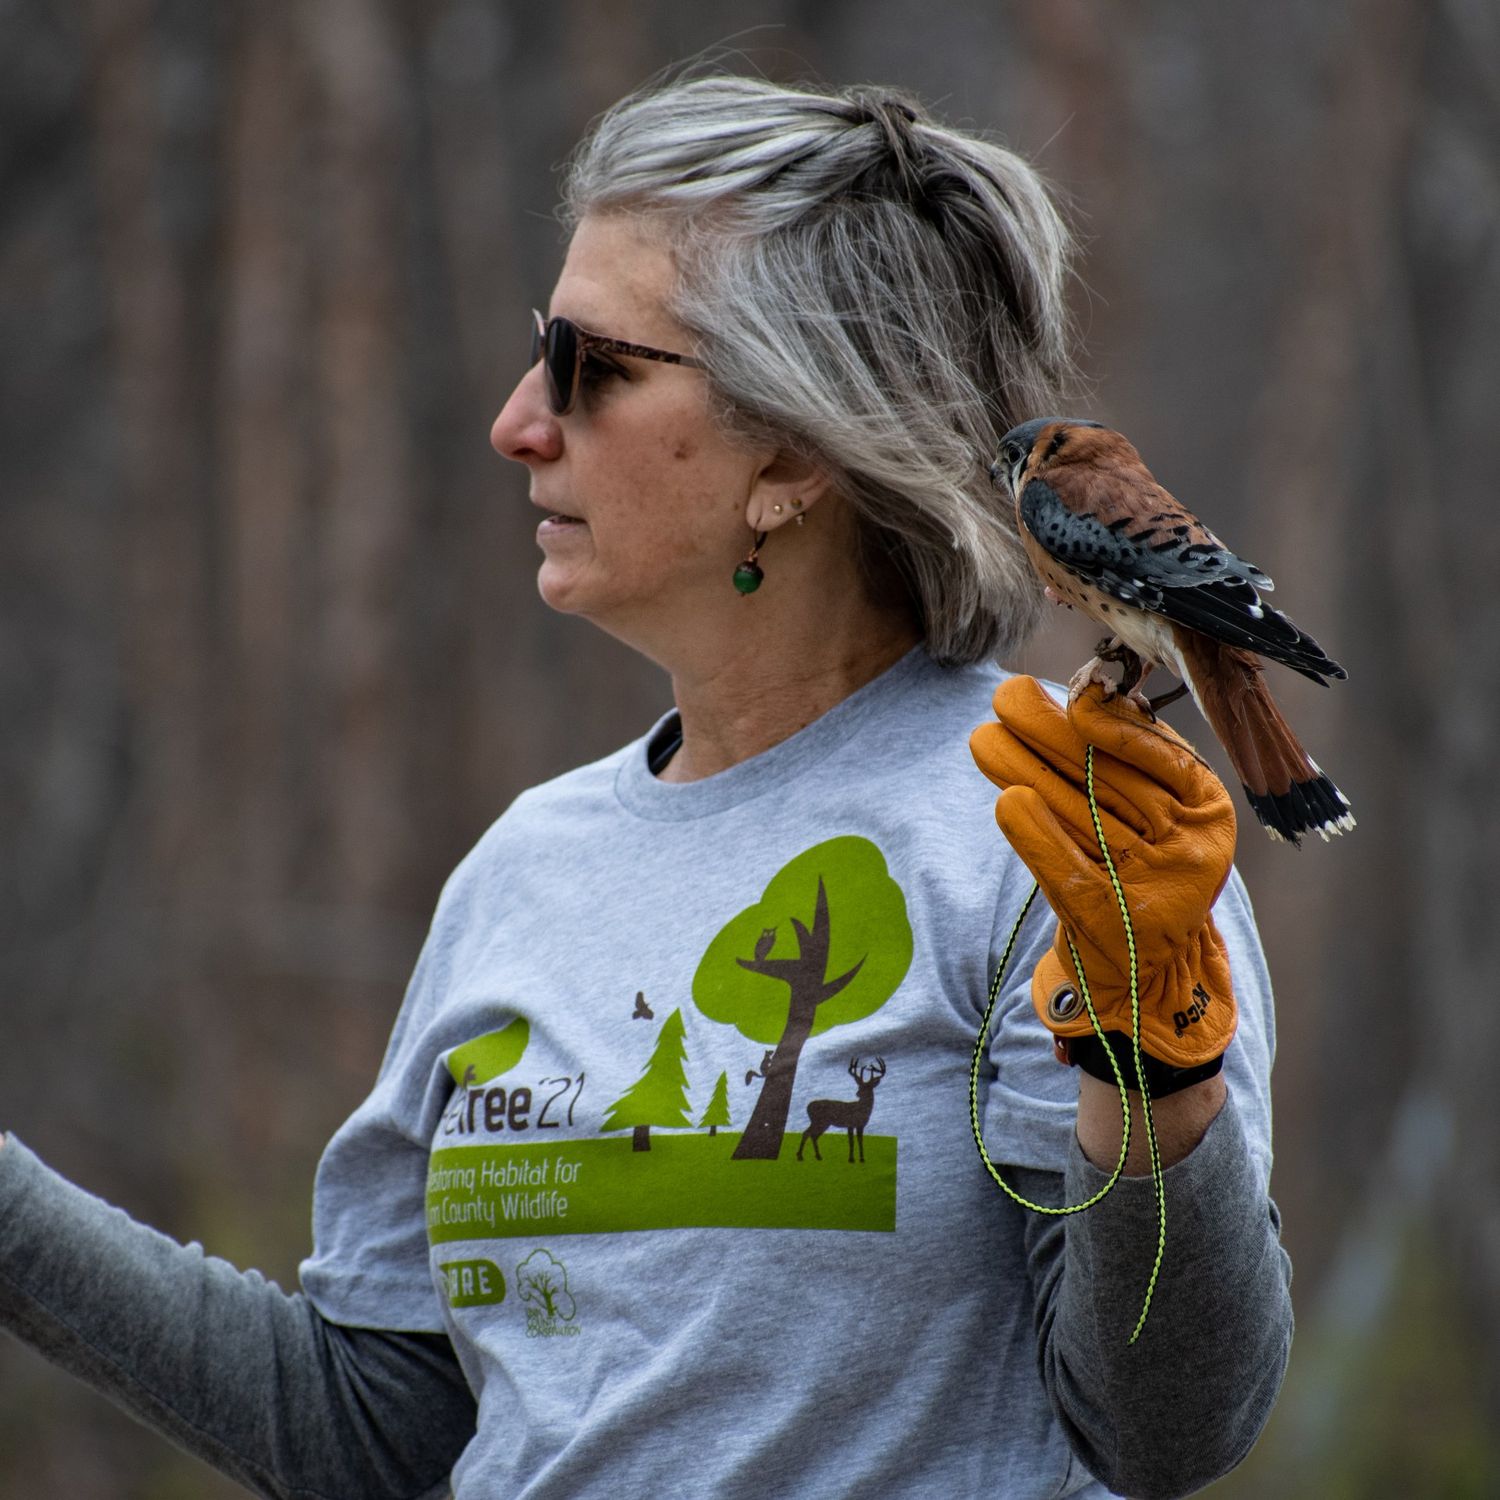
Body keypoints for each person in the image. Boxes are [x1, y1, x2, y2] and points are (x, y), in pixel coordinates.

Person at [0, 73, 1292, 1499]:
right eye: (529, 354)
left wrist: (1151, 1075)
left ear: (794, 449)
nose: (515, 423)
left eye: (589, 368)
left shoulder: (1043, 836)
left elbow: (1166, 1427)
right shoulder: (523, 868)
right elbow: (374, 1431)